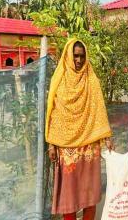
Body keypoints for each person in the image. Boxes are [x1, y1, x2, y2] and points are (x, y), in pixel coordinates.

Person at [45, 39, 114, 220]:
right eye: (75, 56)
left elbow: (99, 108)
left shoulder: (91, 79)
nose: (78, 60)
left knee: (89, 193)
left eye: (82, 56)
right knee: (69, 194)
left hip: (89, 145)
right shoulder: (58, 80)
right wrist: (52, 145)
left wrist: (106, 137)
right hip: (66, 146)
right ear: (68, 56)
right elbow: (52, 113)